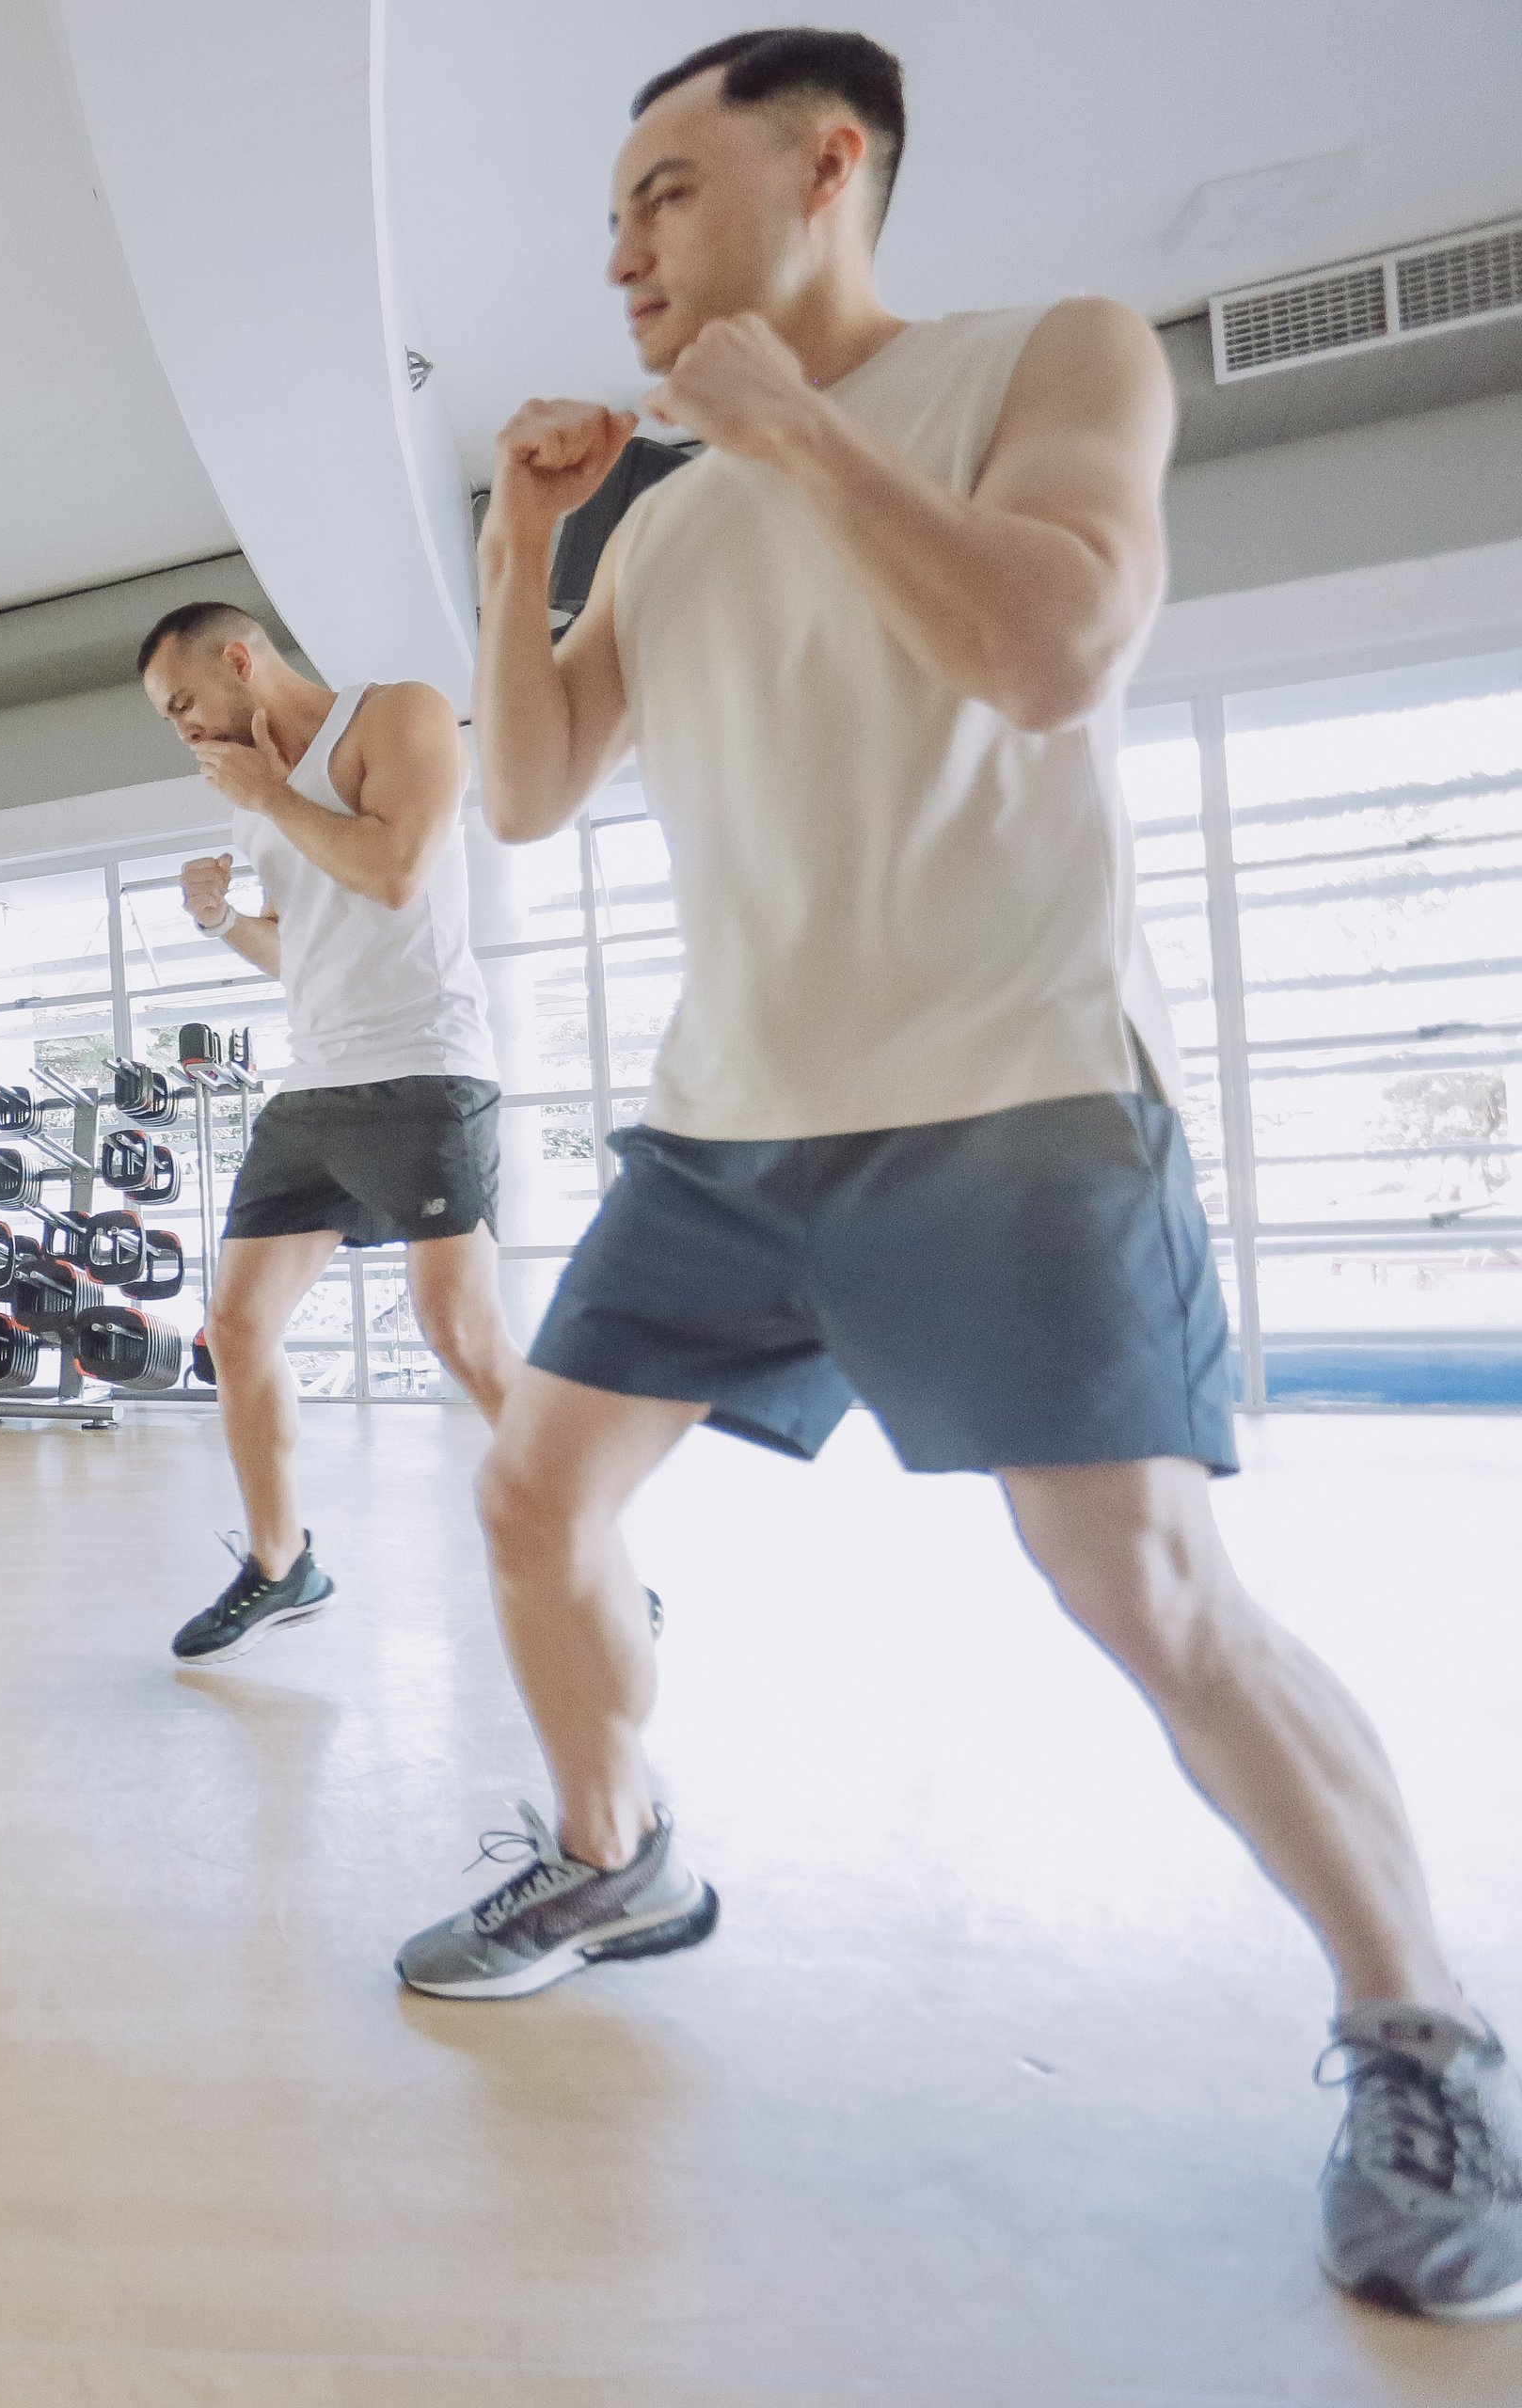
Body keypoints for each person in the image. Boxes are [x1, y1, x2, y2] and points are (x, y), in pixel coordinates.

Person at [409, 27, 1517, 2321]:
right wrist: (527, 534)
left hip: (1003, 1092)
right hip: (725, 1121)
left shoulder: (1051, 356)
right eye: (605, 217)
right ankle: (613, 1861)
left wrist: (792, 425)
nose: (615, 250)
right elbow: (518, 796)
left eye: (662, 193)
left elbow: (1050, 645)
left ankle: (1421, 2036)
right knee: (530, 1497)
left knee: (1140, 1587)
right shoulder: (671, 510)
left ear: (828, 168)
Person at [138, 606, 527, 1665]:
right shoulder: (250, 798)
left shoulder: (398, 715)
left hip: (426, 1069)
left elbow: (395, 870)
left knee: (462, 1333)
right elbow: (302, 952)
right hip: (316, 1084)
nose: (183, 732)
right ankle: (280, 1562)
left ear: (237, 659)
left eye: (183, 705)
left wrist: (270, 796)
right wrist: (223, 923)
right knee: (237, 1322)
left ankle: (597, 1549)